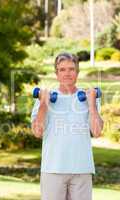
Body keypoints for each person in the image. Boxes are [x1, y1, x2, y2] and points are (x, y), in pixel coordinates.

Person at [31, 52, 104, 200]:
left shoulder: (89, 97)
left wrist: (91, 104)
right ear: (56, 73)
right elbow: (37, 132)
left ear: (77, 72)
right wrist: (44, 104)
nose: (67, 73)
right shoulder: (44, 97)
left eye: (71, 69)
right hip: (53, 168)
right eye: (62, 69)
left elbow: (96, 132)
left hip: (82, 169)